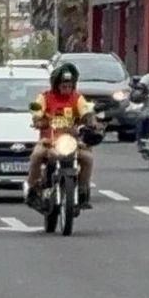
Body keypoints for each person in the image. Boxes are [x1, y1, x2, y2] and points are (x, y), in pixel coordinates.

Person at [27, 63, 96, 209]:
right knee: (36, 156)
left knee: (88, 158)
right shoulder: (44, 97)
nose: (67, 88)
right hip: (49, 141)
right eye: (63, 85)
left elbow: (86, 112)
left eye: (70, 86)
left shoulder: (77, 98)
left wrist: (91, 122)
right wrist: (38, 121)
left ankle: (83, 192)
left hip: (72, 142)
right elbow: (36, 112)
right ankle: (33, 191)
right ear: (56, 85)